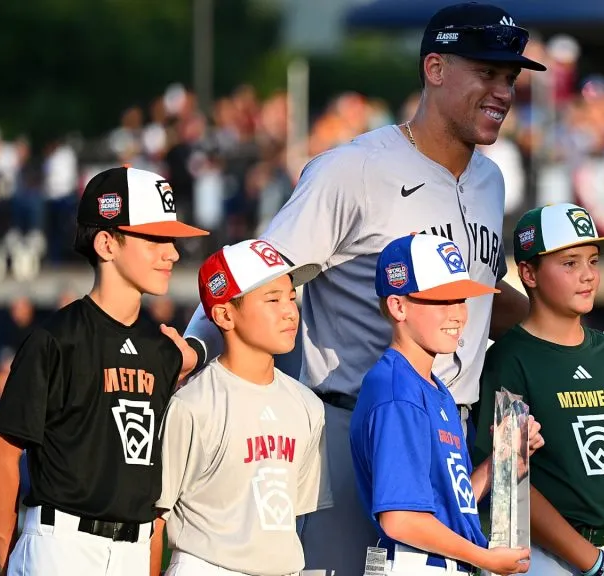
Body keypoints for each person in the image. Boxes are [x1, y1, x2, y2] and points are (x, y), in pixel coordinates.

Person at [180, 3, 545, 574]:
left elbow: (479, 295)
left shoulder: (490, 179)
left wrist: (571, 339)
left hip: (451, 428)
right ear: (435, 68)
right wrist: (194, 355)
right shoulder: (352, 169)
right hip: (355, 425)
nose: (503, 91)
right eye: (487, 72)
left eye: (509, 77)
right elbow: (257, 274)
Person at [0, 166, 207, 576]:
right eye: (155, 238)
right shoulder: (55, 339)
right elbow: (0, 454)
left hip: (135, 550)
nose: (172, 252)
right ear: (107, 242)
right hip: (59, 545)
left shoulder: (162, 350)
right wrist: (4, 556)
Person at [473, 203, 604, 576]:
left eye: (592, 261)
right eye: (570, 263)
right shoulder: (508, 360)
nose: (588, 275)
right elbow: (512, 483)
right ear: (528, 273)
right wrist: (594, 564)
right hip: (540, 557)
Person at [350, 233, 543, 575]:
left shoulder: (432, 386)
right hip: (415, 565)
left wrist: (504, 454)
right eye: (441, 301)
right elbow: (401, 520)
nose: (458, 315)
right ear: (398, 306)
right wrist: (484, 558)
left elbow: (452, 500)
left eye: (461, 299)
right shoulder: (397, 389)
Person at [156, 239, 331, 576]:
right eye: (272, 299)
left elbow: (292, 516)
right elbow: (154, 520)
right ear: (224, 314)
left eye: (292, 297)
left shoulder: (308, 405)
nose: (289, 311)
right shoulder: (193, 404)